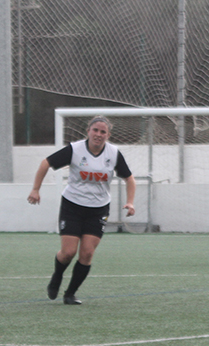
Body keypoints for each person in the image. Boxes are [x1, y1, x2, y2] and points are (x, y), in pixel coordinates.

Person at [27, 115, 135, 305]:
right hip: (72, 206)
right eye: (95, 130)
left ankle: (70, 294)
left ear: (108, 135)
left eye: (103, 132)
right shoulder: (75, 149)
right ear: (88, 131)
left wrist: (130, 202)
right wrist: (35, 189)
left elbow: (129, 179)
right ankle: (57, 276)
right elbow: (46, 163)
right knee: (68, 252)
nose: (98, 134)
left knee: (87, 254)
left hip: (98, 209)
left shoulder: (113, 153)